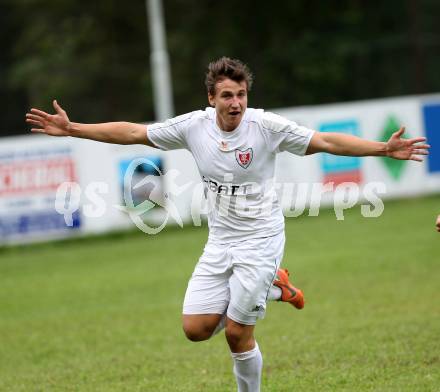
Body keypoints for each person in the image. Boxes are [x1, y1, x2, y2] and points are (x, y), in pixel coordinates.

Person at [25, 57, 429, 392]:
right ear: (211, 98)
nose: (235, 103)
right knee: (195, 329)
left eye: (241, 94)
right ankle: (276, 288)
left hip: (261, 239)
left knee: (237, 334)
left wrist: (382, 148)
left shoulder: (265, 127)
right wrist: (73, 128)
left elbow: (325, 141)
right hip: (220, 240)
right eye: (227, 95)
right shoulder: (193, 126)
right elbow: (133, 132)